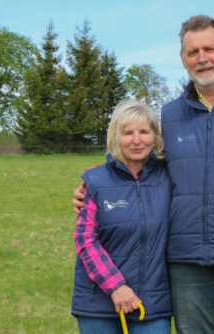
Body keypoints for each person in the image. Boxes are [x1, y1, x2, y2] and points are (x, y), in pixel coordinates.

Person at [73, 15, 214, 333]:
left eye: (209, 48)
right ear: (183, 59)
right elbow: (138, 168)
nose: (202, 58)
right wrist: (95, 190)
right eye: (192, 52)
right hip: (188, 265)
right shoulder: (169, 115)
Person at [71, 99, 172, 333]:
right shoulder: (95, 181)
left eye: (144, 132)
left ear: (155, 137)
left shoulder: (169, 177)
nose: (137, 141)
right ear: (116, 136)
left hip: (152, 305)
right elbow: (85, 239)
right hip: (98, 305)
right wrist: (116, 287)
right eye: (128, 133)